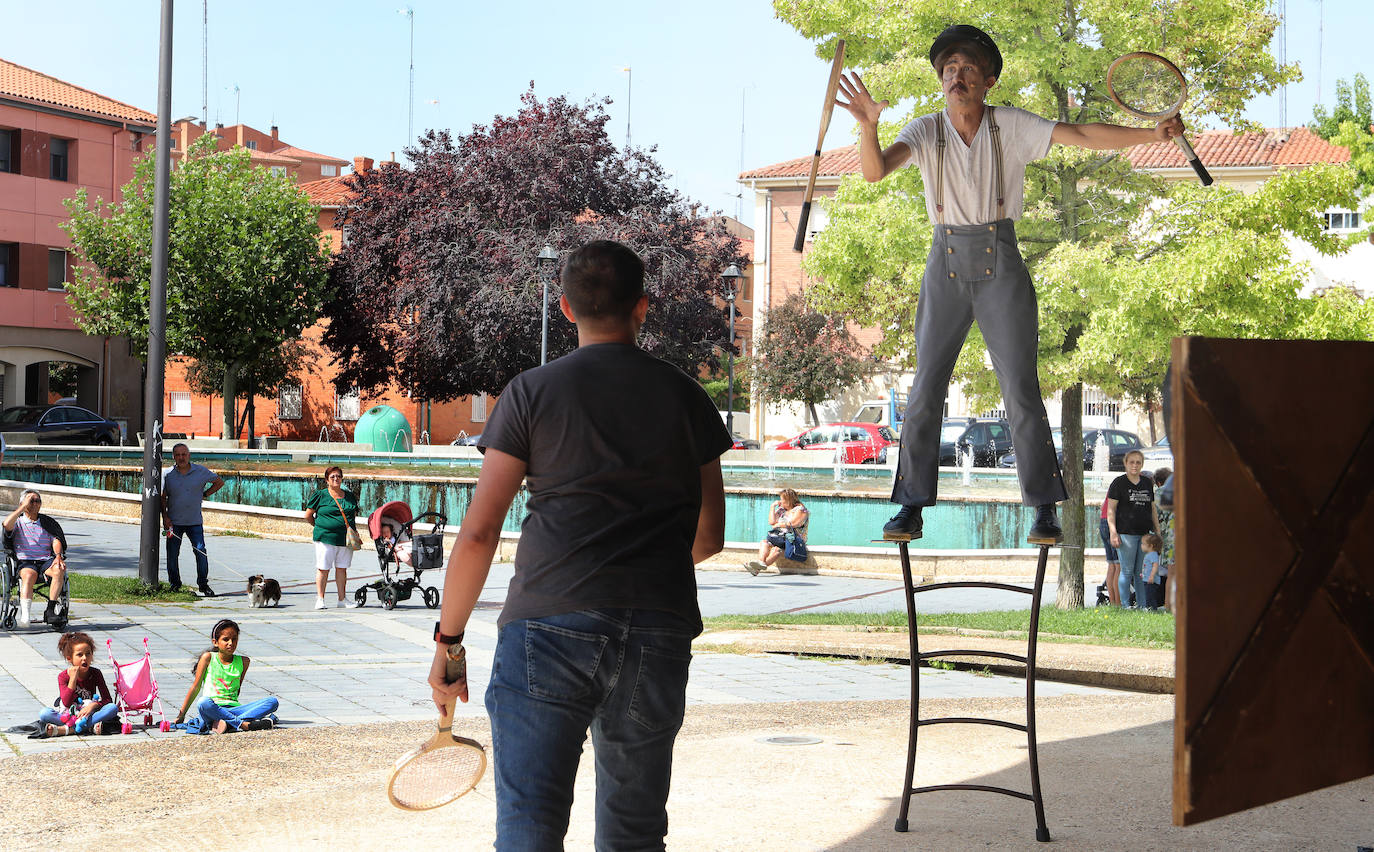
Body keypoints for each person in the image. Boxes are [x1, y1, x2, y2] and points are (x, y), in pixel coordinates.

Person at [427, 240, 729, 850]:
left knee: (530, 825)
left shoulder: (530, 393)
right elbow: (707, 537)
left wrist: (450, 644)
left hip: (549, 623)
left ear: (565, 308)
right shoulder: (687, 399)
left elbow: (480, 531)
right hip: (658, 628)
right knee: (635, 830)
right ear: (643, 307)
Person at [835, 24, 1186, 544]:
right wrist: (868, 126)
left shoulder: (1011, 125)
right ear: (940, 79)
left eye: (968, 69)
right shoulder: (924, 129)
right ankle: (910, 505)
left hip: (1002, 258)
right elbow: (873, 172)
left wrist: (1152, 135)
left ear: (989, 80)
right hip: (945, 259)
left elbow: (1081, 135)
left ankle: (1044, 508)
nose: (957, 77)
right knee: (926, 389)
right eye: (949, 69)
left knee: (1020, 388)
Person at [174, 619, 278, 734]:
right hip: (212, 709)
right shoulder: (208, 657)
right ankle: (242, 724)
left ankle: (227, 723)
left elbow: (237, 690)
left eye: (234, 639)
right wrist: (181, 715)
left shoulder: (244, 661)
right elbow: (195, 687)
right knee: (203, 702)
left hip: (235, 709)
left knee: (272, 702)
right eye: (225, 639)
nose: (231, 643)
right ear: (215, 642)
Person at [161, 442, 225, 596]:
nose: (181, 457)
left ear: (189, 455)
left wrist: (205, 494)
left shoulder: (200, 471)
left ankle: (203, 585)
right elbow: (162, 497)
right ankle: (175, 585)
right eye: (178, 455)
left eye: (184, 454)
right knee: (172, 555)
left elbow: (219, 482)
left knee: (200, 551)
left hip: (195, 522)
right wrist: (165, 516)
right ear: (173, 457)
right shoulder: (167, 474)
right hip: (174, 523)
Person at [3, 489, 68, 627]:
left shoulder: (47, 522)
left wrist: (58, 556)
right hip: (25, 561)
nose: (35, 503)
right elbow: (6, 524)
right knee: (28, 575)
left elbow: (56, 540)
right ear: (23, 503)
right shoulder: (18, 522)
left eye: (37, 501)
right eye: (31, 501)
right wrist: (22, 507)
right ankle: (25, 616)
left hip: (45, 560)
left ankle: (50, 610)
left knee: (59, 569)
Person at [40, 631, 119, 737]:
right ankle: (87, 727)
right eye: (79, 655)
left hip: (88, 713)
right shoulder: (63, 676)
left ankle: (67, 729)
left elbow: (107, 699)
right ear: (70, 658)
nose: (84, 658)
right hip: (68, 714)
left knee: (112, 708)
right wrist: (73, 678)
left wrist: (93, 705)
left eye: (88, 653)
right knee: (44, 713)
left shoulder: (96, 673)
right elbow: (67, 703)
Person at [1107, 450, 1160, 609]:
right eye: (1131, 462)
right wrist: (1113, 532)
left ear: (1142, 464)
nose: (1135, 465)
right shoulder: (1118, 483)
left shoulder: (1146, 483)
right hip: (1126, 534)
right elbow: (1111, 510)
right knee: (1127, 571)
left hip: (1144, 534)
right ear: (1125, 463)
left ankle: (1142, 606)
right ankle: (1125, 606)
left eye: (1138, 462)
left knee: (1140, 572)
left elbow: (1152, 509)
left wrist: (1157, 530)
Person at [303, 465, 361, 610]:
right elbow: (308, 515)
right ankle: (320, 599)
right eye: (332, 477)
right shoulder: (320, 495)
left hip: (345, 539)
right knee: (323, 568)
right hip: (325, 538)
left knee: (342, 569)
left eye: (339, 476)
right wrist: (320, 527)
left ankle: (342, 599)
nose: (336, 479)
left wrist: (354, 531)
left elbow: (352, 516)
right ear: (327, 480)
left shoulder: (349, 496)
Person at [746, 488, 809, 575]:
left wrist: (779, 525)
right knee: (765, 543)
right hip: (779, 537)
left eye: (782, 499)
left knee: (776, 549)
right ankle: (761, 563)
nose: (780, 501)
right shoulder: (782, 510)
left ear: (788, 500)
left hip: (792, 539)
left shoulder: (801, 510)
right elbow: (771, 522)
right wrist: (772, 507)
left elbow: (794, 523)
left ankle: (757, 568)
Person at [1152, 467, 1175, 613]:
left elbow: (1155, 516)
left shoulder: (1160, 493)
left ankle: (1168, 605)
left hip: (1170, 538)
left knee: (1172, 574)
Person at [1098, 495, 1121, 606]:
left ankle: (1113, 602)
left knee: (1112, 565)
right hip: (1114, 523)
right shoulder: (1130, 482)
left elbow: (1103, 506)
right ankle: (1119, 603)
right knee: (1119, 566)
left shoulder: (1114, 486)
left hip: (1103, 521)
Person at [1142, 532, 1166, 610]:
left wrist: (1152, 576)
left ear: (1151, 546)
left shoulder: (1153, 555)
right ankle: (1149, 608)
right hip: (1147, 579)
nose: (1141, 546)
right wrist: (1144, 574)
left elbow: (1155, 566)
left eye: (1143, 544)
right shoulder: (1149, 555)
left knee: (1150, 596)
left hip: (1151, 580)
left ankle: (1152, 609)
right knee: (1147, 595)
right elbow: (1147, 567)